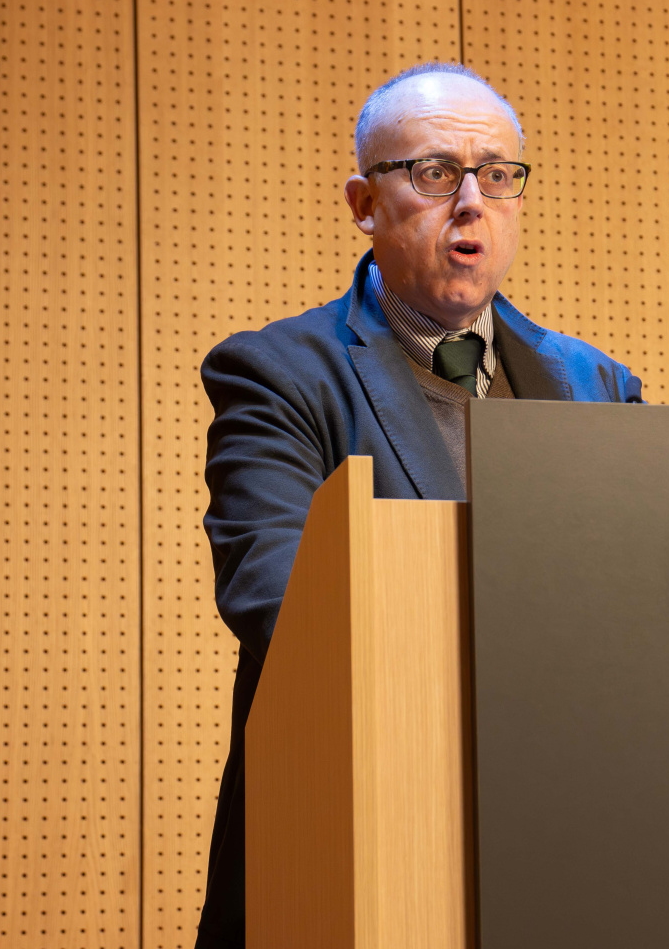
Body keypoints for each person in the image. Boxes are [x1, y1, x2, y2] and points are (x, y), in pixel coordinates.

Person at [193, 62, 643, 947]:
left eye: (499, 175)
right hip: (354, 843)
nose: (472, 201)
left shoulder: (598, 387)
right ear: (365, 202)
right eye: (436, 173)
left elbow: (642, 619)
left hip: (565, 852)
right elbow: (280, 607)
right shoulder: (277, 376)